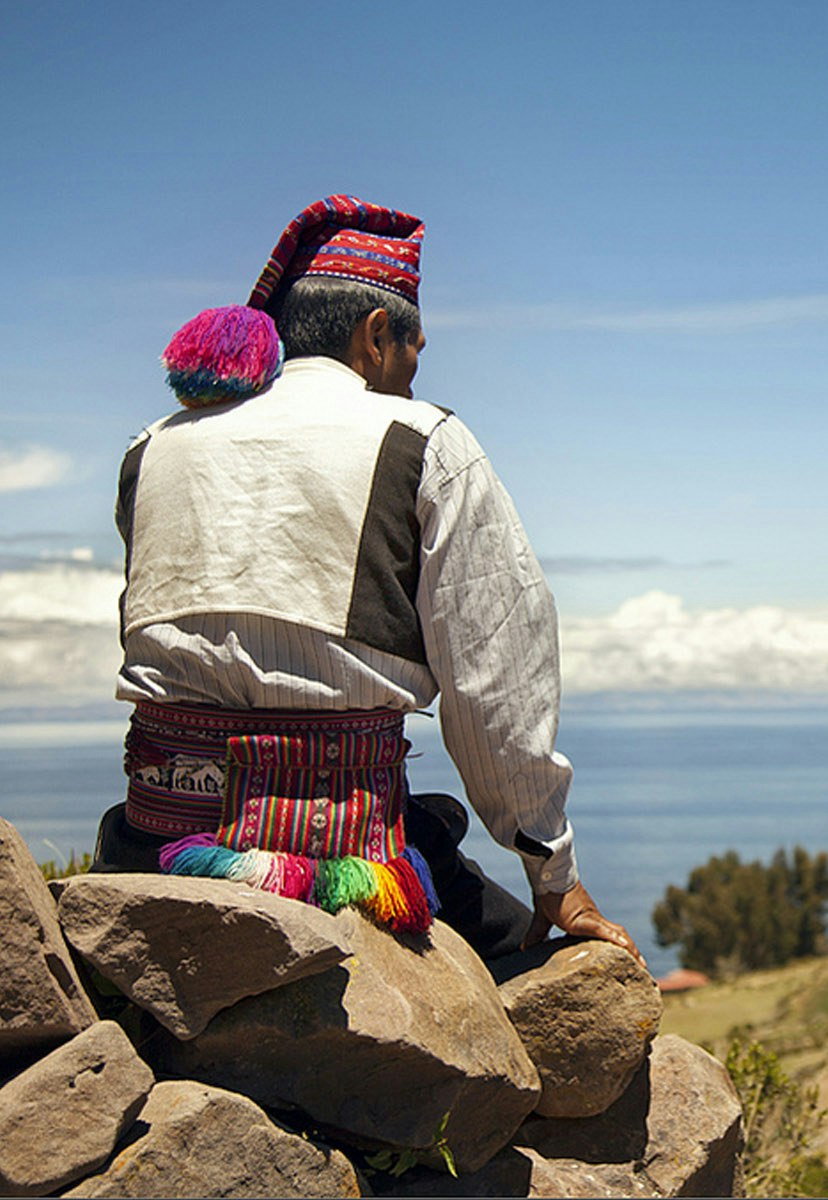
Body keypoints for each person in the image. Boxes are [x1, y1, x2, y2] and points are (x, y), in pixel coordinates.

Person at [95, 194, 640, 967]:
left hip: (153, 844)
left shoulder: (151, 445)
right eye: (414, 355)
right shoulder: (423, 441)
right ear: (376, 334)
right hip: (342, 860)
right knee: (531, 972)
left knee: (435, 818)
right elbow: (497, 683)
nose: (412, 381)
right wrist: (551, 872)